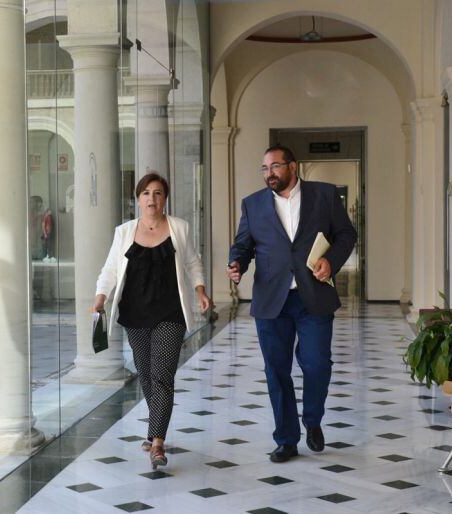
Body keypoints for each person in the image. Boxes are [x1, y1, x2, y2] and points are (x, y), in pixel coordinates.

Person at [227, 144, 357, 463]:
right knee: (277, 371)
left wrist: (331, 261)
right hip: (272, 300)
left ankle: (312, 421)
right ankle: (286, 439)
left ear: (292, 167)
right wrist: (237, 264)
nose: (269, 173)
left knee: (316, 364)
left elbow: (346, 235)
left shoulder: (324, 195)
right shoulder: (253, 204)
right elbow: (244, 245)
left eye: (274, 166)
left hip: (313, 295)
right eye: (265, 168)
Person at [92, 172, 211, 469]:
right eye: (146, 193)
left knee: (162, 376)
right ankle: (153, 430)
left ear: (164, 198)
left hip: (170, 311)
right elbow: (110, 269)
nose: (152, 199)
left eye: (157, 193)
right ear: (138, 198)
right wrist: (100, 297)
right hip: (135, 312)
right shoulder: (124, 232)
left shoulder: (179, 228)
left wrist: (200, 290)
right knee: (145, 374)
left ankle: (158, 441)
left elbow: (192, 261)